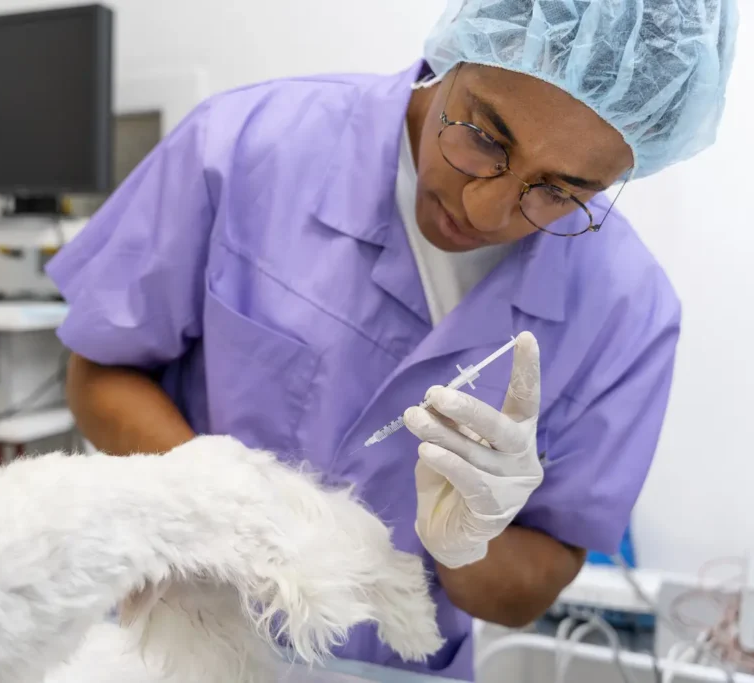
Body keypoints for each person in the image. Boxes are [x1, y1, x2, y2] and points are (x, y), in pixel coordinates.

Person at [45, 0, 737, 679]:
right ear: (457, 49)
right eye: (487, 138)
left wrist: (471, 544)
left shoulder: (626, 313)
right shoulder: (249, 146)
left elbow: (536, 582)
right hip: (170, 638)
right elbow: (99, 372)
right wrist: (232, 505)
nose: (484, 209)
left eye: (559, 191)